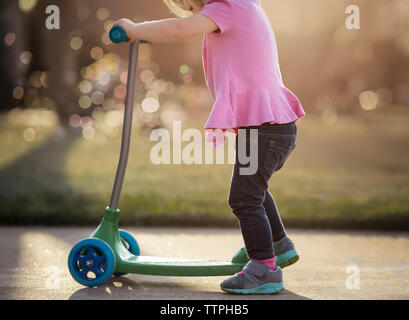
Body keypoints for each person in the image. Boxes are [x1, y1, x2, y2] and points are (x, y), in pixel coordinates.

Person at [114, 0, 305, 294]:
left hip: (267, 129)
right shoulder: (243, 5)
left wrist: (135, 30)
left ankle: (264, 269)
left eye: (191, 5)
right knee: (254, 189)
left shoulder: (227, 7)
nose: (192, 12)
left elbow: (178, 30)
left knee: (244, 198)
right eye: (188, 8)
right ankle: (276, 244)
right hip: (271, 125)